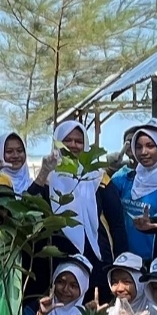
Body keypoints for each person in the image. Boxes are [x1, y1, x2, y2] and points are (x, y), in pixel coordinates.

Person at [31, 121, 110, 283]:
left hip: (94, 257)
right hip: (56, 257)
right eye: (67, 140)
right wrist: (44, 172)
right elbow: (28, 207)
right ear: (57, 142)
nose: (73, 145)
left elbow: (117, 223)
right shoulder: (47, 177)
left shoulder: (96, 177)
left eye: (79, 141)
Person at [105, 122, 157, 262]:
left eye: (150, 146)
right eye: (138, 147)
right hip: (126, 262)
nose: (143, 152)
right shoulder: (125, 179)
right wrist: (109, 169)